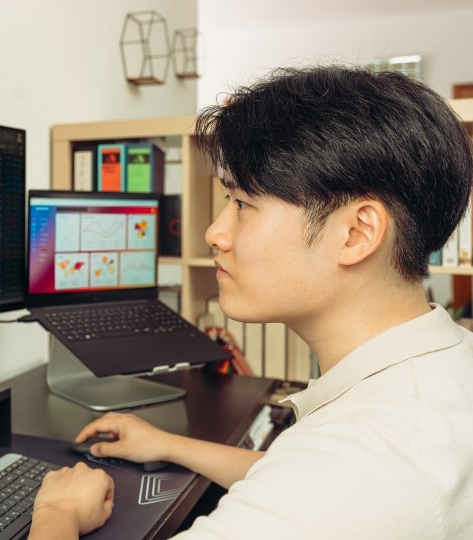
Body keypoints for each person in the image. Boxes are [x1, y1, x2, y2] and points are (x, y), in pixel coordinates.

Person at [28, 65, 473, 539]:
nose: (214, 232)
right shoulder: (443, 367)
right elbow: (290, 480)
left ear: (357, 232)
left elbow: (326, 487)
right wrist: (171, 445)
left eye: (242, 204)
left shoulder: (358, 466)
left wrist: (57, 512)